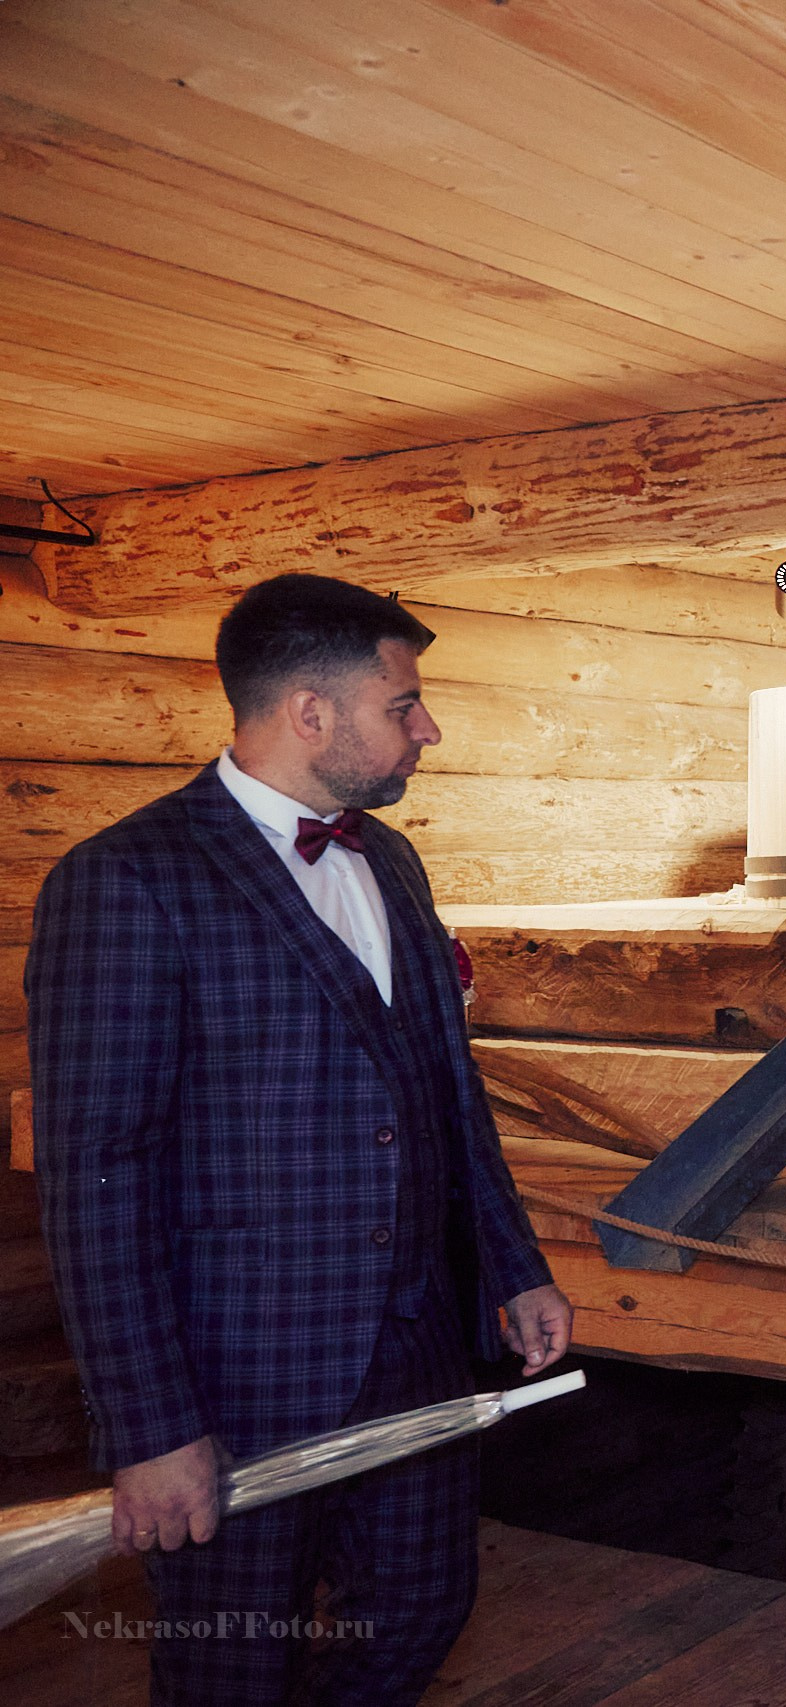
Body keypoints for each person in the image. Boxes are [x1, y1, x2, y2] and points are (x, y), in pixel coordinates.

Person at [26, 573, 573, 1704]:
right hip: (235, 1375)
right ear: (309, 714)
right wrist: (151, 1426)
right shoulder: (125, 879)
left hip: (416, 1345)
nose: (426, 728)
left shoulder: (394, 863)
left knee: (422, 1610)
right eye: (404, 703)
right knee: (234, 1658)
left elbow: (445, 1092)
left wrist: (513, 1269)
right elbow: (96, 1177)